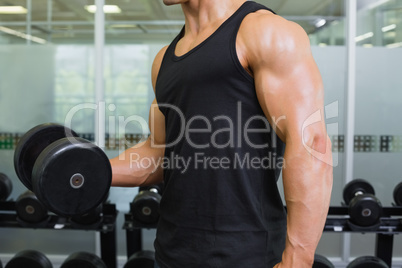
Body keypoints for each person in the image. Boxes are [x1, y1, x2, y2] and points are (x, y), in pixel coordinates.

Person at [110, 0, 333, 267]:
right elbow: (158, 153)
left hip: (246, 254)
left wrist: (297, 260)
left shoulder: (263, 32)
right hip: (172, 251)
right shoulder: (163, 60)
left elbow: (310, 142)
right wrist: (89, 169)